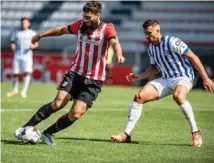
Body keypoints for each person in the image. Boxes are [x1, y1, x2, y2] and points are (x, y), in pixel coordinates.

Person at [14, 1, 125, 145]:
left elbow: (115, 42)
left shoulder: (107, 28)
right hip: (75, 74)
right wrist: (40, 35)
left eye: (89, 17)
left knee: (76, 113)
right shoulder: (80, 25)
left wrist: (119, 53)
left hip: (94, 81)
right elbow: (61, 30)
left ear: (98, 15)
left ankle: (47, 133)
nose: (85, 20)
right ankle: (25, 128)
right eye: (84, 16)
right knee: (57, 103)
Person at [110, 19, 214, 147]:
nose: (147, 36)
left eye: (149, 33)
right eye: (145, 33)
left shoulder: (172, 42)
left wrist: (205, 77)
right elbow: (154, 68)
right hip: (166, 79)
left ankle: (195, 131)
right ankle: (127, 134)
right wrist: (139, 76)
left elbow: (193, 57)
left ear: (158, 30)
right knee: (139, 97)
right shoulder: (151, 48)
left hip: (183, 77)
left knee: (178, 96)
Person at [6, 17, 39, 98]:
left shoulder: (32, 33)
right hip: (17, 55)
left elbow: (36, 44)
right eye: (22, 23)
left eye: (25, 23)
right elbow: (12, 42)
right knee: (15, 73)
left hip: (27, 56)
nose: (23, 24)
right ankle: (14, 89)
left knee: (27, 72)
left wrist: (33, 46)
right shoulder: (16, 32)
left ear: (28, 24)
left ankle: (24, 91)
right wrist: (13, 47)